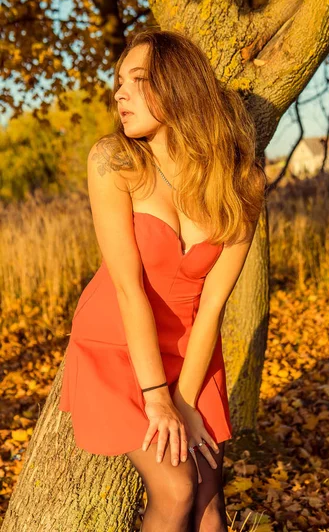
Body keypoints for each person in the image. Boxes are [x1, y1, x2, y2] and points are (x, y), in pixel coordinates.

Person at [59, 28, 266, 531]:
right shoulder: (115, 161)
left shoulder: (241, 181)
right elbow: (129, 289)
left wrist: (185, 400)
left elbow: (214, 303)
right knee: (177, 488)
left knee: (210, 491)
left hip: (191, 347)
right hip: (116, 346)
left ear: (178, 86)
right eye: (118, 83)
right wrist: (156, 395)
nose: (119, 94)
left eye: (137, 79)